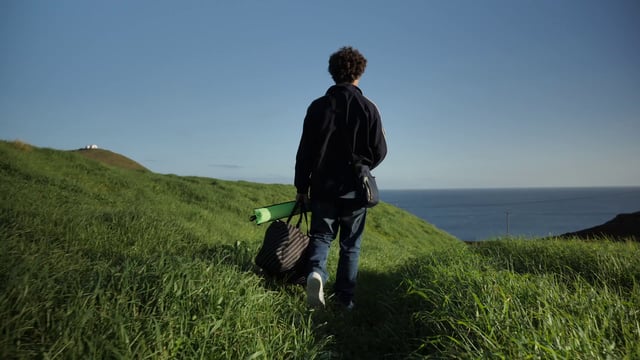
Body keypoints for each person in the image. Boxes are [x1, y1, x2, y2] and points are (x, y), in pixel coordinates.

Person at [294, 46, 387, 309]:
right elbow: (380, 149)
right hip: (356, 188)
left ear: (332, 73)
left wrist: (302, 186)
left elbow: (305, 152)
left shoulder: (317, 107)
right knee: (350, 246)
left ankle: (316, 274)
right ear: (360, 73)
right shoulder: (369, 107)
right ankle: (345, 300)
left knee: (322, 236)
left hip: (322, 185)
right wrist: (364, 166)